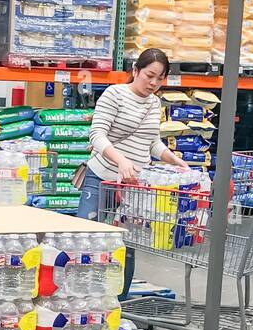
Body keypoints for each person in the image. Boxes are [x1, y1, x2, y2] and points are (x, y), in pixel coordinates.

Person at [76, 47, 190, 299]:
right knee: (88, 238)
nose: (153, 83)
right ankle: (82, 301)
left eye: (160, 79)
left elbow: (152, 142)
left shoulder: (154, 103)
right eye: (149, 75)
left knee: (127, 246)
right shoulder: (114, 94)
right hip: (102, 179)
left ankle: (120, 305)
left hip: (134, 186)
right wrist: (121, 160)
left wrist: (174, 160)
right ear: (135, 71)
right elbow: (97, 135)